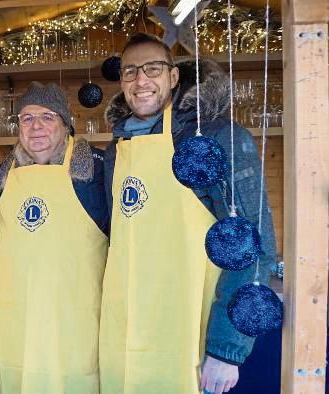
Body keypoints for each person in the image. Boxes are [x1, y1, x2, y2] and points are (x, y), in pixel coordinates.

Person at [98, 33, 276, 394]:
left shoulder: (216, 139)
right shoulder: (115, 151)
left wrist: (227, 350)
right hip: (126, 338)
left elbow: (254, 244)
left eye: (152, 68)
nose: (141, 80)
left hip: (192, 336)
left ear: (174, 77)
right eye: (130, 71)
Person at [0, 81, 108, 393]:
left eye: (47, 116)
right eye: (27, 118)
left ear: (66, 124)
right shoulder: (2, 176)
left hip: (78, 326)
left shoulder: (97, 171)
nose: (36, 126)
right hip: (18, 327)